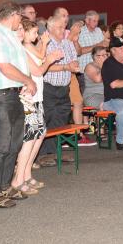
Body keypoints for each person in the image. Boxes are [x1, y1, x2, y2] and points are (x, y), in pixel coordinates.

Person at [0, 0, 36, 208]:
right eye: (20, 17)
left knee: (14, 143)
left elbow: (17, 64)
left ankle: (4, 186)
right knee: (2, 144)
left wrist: (24, 82)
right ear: (13, 15)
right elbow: (5, 67)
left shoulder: (9, 35)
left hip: (12, 94)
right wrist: (28, 80)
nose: (20, 21)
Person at [12, 18, 63, 195]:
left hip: (37, 96)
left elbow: (40, 58)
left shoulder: (28, 47)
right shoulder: (20, 49)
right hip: (28, 98)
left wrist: (45, 49)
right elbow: (38, 70)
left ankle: (26, 173)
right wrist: (50, 60)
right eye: (33, 32)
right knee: (29, 138)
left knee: (39, 135)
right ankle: (18, 179)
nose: (36, 35)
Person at [38, 16, 85, 167]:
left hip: (64, 88)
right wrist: (66, 67)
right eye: (59, 27)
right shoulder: (45, 44)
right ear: (50, 28)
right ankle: (42, 154)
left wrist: (74, 64)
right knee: (47, 119)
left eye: (63, 27)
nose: (62, 30)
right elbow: (44, 66)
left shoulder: (67, 43)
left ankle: (54, 151)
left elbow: (73, 60)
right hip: (48, 87)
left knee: (60, 120)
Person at [76, 10, 108, 92]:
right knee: (87, 96)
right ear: (87, 20)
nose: (96, 23)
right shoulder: (80, 32)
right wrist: (98, 45)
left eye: (97, 21)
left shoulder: (98, 30)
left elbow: (102, 47)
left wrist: (106, 45)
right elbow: (79, 51)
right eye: (94, 21)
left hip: (99, 70)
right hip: (84, 72)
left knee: (100, 94)